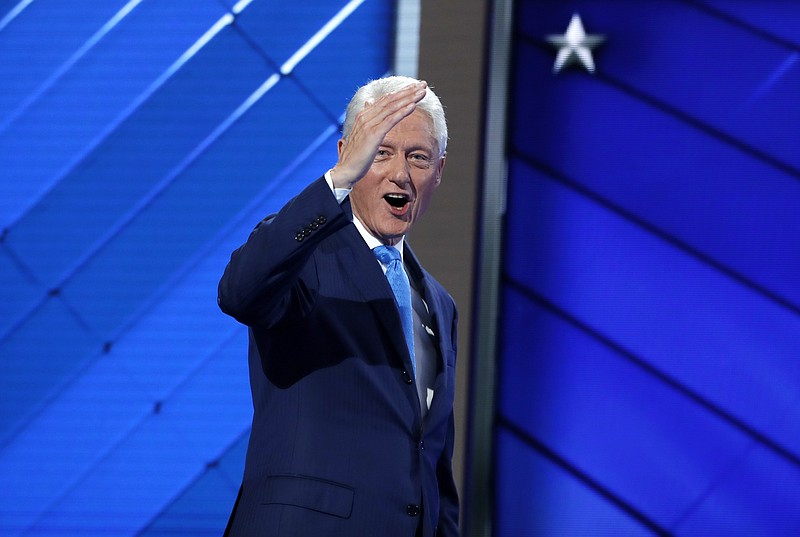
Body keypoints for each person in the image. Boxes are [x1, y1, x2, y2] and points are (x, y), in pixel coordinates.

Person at [217, 76, 459, 536]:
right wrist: (337, 182)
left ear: (439, 169)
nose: (401, 174)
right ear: (348, 152)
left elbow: (433, 462)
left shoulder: (439, 305)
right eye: (381, 151)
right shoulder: (305, 257)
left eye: (418, 157)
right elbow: (239, 292)